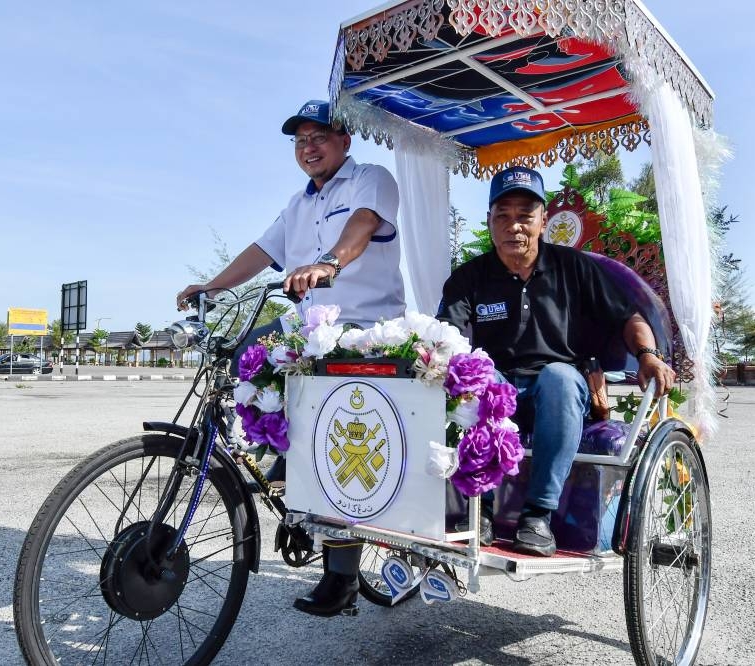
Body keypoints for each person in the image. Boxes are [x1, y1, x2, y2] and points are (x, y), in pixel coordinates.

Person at [177, 100, 405, 616]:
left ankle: (341, 577)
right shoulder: (298, 204)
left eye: (319, 135)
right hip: (310, 328)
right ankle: (274, 445)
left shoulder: (371, 179)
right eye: (300, 140)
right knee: (242, 355)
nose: (309, 146)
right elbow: (262, 251)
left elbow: (362, 227)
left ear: (345, 139)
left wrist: (327, 263)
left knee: (336, 440)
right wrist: (211, 286)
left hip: (365, 329)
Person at [438, 165, 675, 557]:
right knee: (482, 379)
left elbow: (628, 317)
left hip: (559, 394)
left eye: (525, 216)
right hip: (498, 393)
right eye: (504, 216)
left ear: (543, 221)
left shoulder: (575, 268)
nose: (514, 226)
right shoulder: (468, 279)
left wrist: (648, 356)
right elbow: (448, 336)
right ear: (490, 222)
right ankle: (481, 510)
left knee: (560, 377)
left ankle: (537, 515)